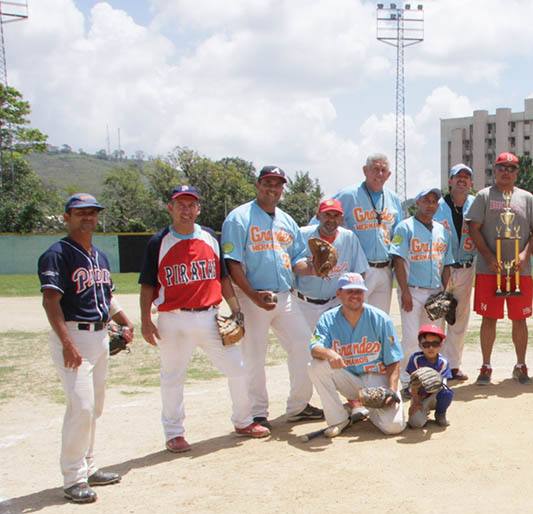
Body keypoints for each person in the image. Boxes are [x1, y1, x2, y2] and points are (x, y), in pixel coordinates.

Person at [139, 184, 268, 454]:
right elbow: (148, 285)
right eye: (180, 204)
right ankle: (174, 433)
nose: (186, 210)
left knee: (238, 368)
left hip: (210, 317)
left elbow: (222, 277)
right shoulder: (159, 242)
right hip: (172, 319)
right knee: (172, 376)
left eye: (191, 205)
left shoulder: (209, 237)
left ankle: (243, 421)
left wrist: (235, 309)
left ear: (198, 209)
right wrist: (145, 320)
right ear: (170, 208)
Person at [39, 193, 134, 503]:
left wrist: (124, 320)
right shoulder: (57, 254)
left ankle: (89, 466)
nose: (87, 217)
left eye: (92, 212)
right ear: (67, 217)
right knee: (80, 407)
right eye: (80, 212)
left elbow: (106, 296)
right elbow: (50, 301)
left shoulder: (100, 256)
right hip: (74, 336)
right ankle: (73, 478)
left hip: (99, 337)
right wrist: (67, 342)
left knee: (94, 407)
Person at [221, 165, 321, 426]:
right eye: (268, 182)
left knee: (303, 345)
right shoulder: (239, 218)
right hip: (253, 296)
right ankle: (257, 412)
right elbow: (231, 263)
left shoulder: (287, 221)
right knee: (254, 356)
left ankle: (298, 406)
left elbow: (297, 260)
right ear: (257, 185)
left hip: (284, 297)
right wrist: (252, 296)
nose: (273, 188)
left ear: (282, 189)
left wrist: (313, 269)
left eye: (277, 184)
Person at [465, 152, 533, 385]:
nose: (506, 171)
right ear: (495, 170)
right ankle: (486, 365)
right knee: (489, 317)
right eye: (502, 167)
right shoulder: (484, 196)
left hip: (520, 270)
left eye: (511, 167)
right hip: (490, 269)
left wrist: (524, 254)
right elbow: (474, 228)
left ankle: (520, 364)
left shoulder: (526, 198)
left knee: (520, 318)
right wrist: (489, 256)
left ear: (517, 171)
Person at [308, 273, 407, 435]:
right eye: (350, 291)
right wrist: (329, 354)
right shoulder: (328, 318)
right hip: (349, 379)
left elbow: (394, 360)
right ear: (339, 293)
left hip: (377, 380)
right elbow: (314, 348)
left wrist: (391, 390)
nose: (355, 295)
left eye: (359, 292)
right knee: (315, 366)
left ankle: (369, 410)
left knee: (394, 427)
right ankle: (339, 419)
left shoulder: (380, 319)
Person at [389, 187, 453, 385]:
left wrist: (446, 293)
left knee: (432, 340)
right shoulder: (404, 227)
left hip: (435, 293)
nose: (430, 205)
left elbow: (447, 264)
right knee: (410, 340)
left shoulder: (442, 230)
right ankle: (407, 381)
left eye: (434, 201)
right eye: (426, 200)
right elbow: (398, 261)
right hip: (413, 291)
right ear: (418, 202)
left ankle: (430, 379)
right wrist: (404, 292)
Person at [324, 154, 404, 312]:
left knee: (378, 318)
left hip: (385, 269)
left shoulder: (393, 198)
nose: (379, 174)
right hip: (359, 268)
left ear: (388, 175)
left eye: (383, 170)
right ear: (365, 170)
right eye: (375, 169)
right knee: (353, 315)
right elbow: (322, 217)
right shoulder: (348, 195)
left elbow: (398, 234)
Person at [295, 198, 368, 330]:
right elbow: (294, 264)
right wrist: (312, 269)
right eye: (327, 215)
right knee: (303, 349)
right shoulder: (303, 234)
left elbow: (360, 272)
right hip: (304, 304)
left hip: (335, 303)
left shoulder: (349, 238)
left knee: (335, 347)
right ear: (318, 216)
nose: (331, 220)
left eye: (336, 216)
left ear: (341, 218)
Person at [434, 163, 477, 381]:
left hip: (466, 267)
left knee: (460, 318)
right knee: (437, 315)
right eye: (457, 176)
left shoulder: (475, 204)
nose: (462, 180)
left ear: (471, 183)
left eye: (466, 177)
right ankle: (434, 364)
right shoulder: (437, 205)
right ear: (449, 181)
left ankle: (453, 365)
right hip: (441, 269)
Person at [405, 324, 454, 428]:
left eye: (435, 344)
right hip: (418, 395)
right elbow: (413, 383)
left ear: (441, 345)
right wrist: (416, 402)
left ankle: (440, 414)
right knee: (416, 424)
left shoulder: (443, 362)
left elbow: (442, 384)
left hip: (434, 396)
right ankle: (423, 412)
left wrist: (435, 383)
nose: (431, 348)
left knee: (446, 393)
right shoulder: (415, 358)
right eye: (426, 344)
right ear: (420, 345)